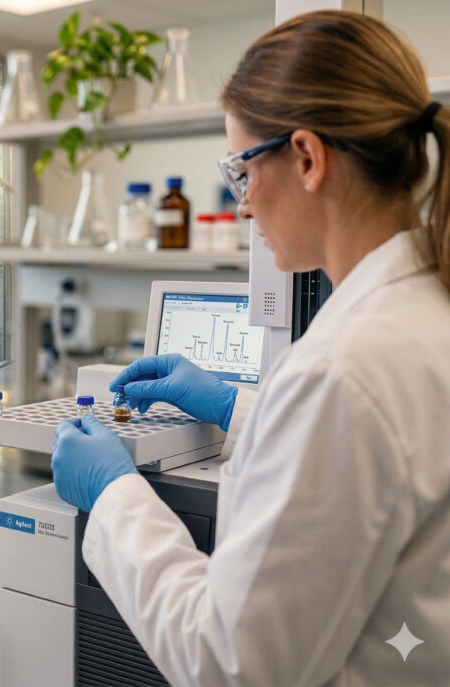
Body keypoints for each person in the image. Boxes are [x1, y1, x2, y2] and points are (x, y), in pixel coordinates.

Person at [51, 11, 450, 686]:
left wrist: (116, 493)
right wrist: (237, 405)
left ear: (306, 157)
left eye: (241, 169)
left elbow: (229, 663)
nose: (242, 205)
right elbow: (364, 461)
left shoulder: (344, 370)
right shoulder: (418, 310)